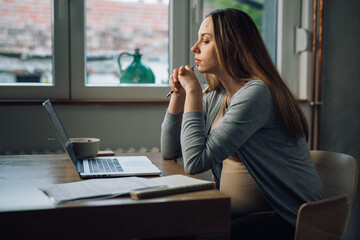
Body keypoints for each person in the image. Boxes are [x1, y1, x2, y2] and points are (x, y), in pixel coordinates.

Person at [161, 8, 325, 240]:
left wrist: (194, 93)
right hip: (235, 215)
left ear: (231, 46)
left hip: (283, 219)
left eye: (205, 40)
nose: (194, 48)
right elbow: (171, 151)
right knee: (163, 227)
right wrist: (179, 98)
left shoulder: (256, 94)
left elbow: (194, 162)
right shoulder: (218, 95)